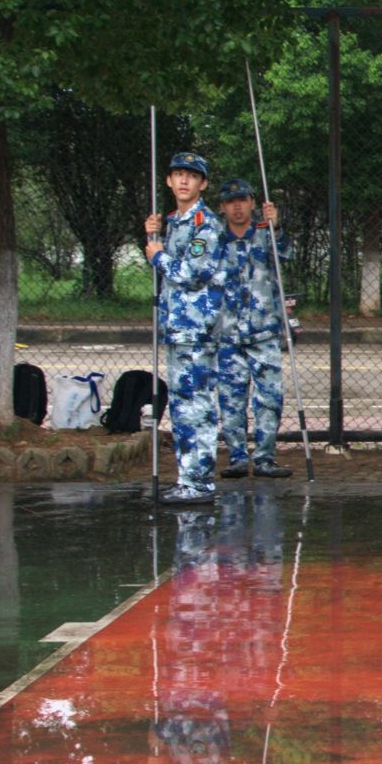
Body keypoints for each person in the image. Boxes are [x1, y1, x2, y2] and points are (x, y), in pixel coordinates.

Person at [144, 151, 227, 506]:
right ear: (168, 180)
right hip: (178, 328)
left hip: (197, 329)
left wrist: (157, 256)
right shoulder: (174, 222)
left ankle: (199, 482)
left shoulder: (205, 224)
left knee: (197, 405)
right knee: (181, 405)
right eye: (178, 174)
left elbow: (194, 273)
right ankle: (188, 478)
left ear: (202, 184)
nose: (183, 180)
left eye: (191, 176)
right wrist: (155, 238)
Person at [213, 178, 293, 480]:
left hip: (263, 332)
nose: (237, 207)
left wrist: (276, 226)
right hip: (227, 333)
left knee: (269, 398)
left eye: (243, 200)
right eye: (230, 202)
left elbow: (285, 255)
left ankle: (264, 458)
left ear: (252, 203)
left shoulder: (264, 232)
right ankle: (236, 457)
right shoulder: (214, 238)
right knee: (231, 399)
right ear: (222, 207)